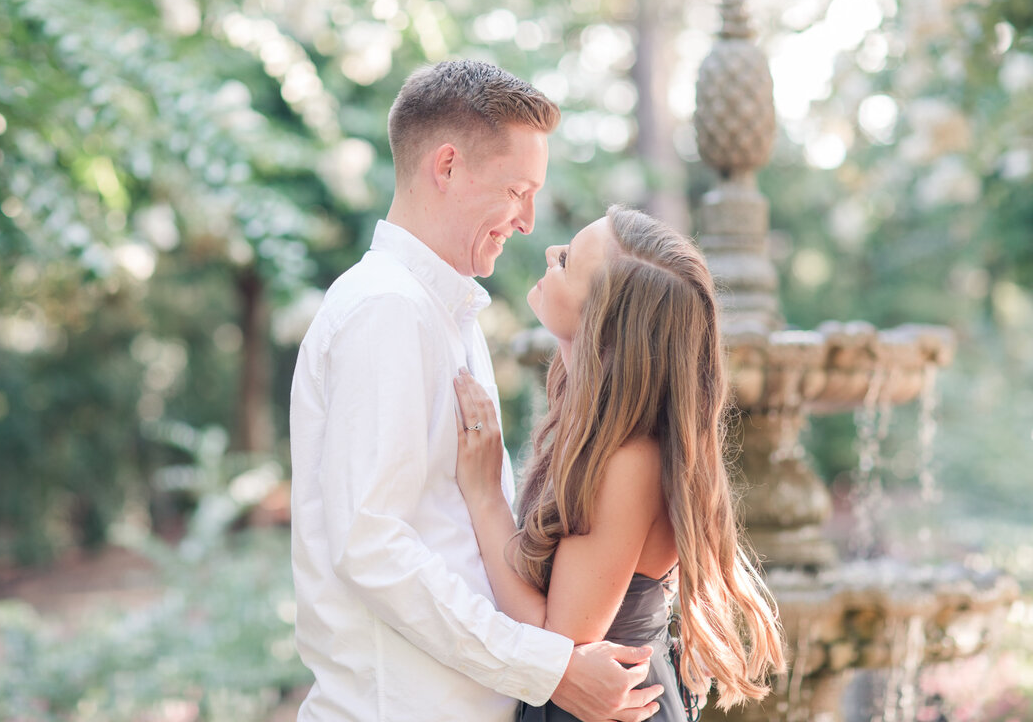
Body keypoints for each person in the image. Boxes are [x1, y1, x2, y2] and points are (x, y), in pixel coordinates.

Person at [289, 61, 665, 722]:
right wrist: (547, 669)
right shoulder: (386, 310)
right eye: (518, 190)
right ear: (448, 167)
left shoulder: (450, 317)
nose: (527, 221)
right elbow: (371, 544)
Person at [453, 207, 788, 721]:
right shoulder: (605, 435)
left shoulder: (627, 461)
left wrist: (483, 496)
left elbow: (552, 645)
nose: (549, 252)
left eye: (565, 261)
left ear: (600, 322)